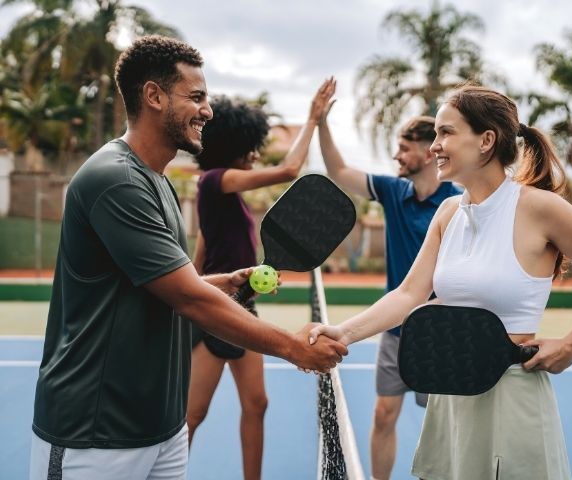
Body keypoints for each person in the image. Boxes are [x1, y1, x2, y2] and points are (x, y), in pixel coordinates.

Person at [29, 35, 347, 480]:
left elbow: (168, 284)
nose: (208, 110)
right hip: (96, 434)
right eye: (195, 97)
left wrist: (228, 280)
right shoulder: (116, 179)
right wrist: (291, 347)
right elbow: (188, 299)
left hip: (161, 428)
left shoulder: (158, 182)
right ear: (153, 96)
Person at [309, 84, 572, 479]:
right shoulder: (449, 212)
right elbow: (409, 294)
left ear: (486, 140)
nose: (435, 146)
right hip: (451, 398)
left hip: (512, 398)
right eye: (436, 135)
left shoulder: (541, 207)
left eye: (446, 133)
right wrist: (342, 333)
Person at [187, 81, 334, 479]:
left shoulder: (222, 198)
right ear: (231, 146)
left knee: (256, 404)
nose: (254, 153)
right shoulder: (214, 180)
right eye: (249, 145)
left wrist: (246, 281)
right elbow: (288, 170)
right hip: (218, 314)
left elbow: (201, 256)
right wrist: (311, 119)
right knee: (192, 415)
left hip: (242, 306)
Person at [315, 78, 460, 480]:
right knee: (383, 414)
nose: (396, 155)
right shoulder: (393, 192)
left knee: (445, 427)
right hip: (395, 331)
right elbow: (339, 171)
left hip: (441, 334)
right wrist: (322, 123)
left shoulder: (459, 202)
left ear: (429, 152)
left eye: (403, 147)